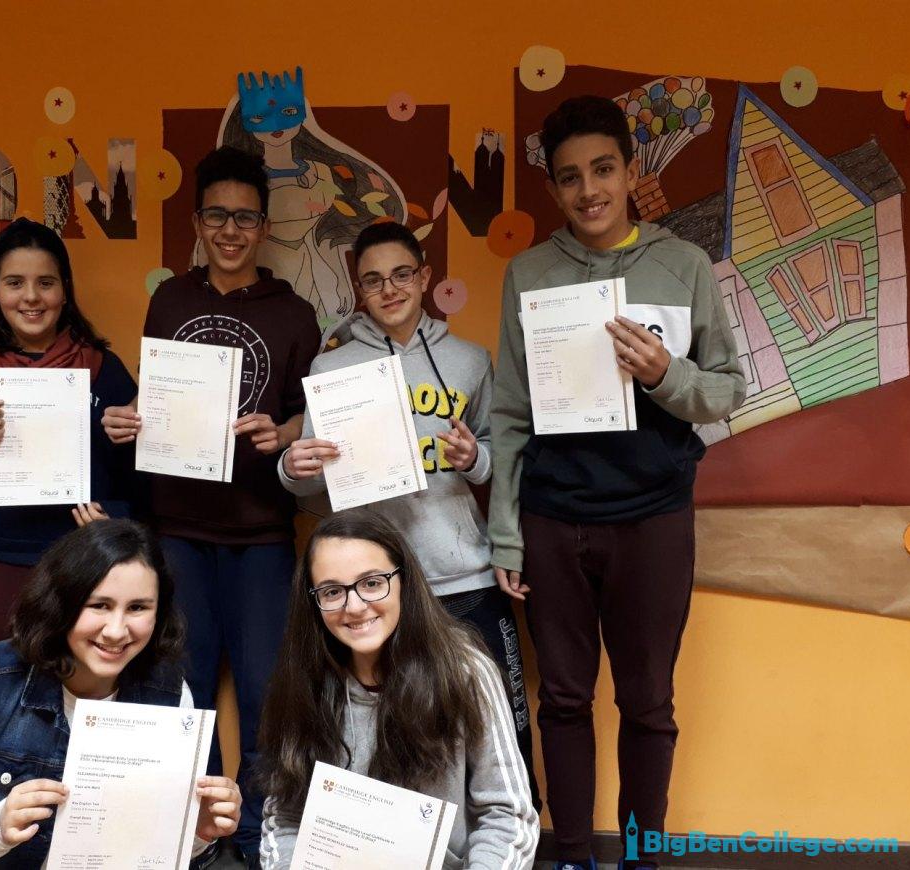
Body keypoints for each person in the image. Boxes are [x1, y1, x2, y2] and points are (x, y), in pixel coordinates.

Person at [489, 95, 746, 870]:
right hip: (553, 516)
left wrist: (667, 373)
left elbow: (728, 389)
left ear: (632, 172)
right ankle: (571, 855)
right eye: (569, 177)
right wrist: (507, 532)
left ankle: (641, 858)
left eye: (603, 169)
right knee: (564, 699)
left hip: (653, 517)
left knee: (648, 702)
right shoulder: (528, 274)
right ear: (553, 189)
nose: (588, 190)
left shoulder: (683, 265)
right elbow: (510, 414)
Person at [102, 146, 321, 866]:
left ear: (264, 227)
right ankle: (195, 834)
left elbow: (310, 414)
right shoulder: (170, 300)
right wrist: (130, 420)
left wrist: (282, 432)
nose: (231, 230)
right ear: (198, 222)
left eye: (245, 218)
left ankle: (257, 835)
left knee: (265, 691)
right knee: (183, 690)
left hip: (262, 529)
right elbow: (158, 399)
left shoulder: (294, 314)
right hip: (177, 528)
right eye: (218, 216)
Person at [278, 220, 540, 807]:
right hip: (373, 590)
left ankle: (517, 832)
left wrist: (475, 459)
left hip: (464, 577)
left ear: (424, 277)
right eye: (373, 280)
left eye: (401, 275)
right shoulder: (330, 371)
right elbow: (314, 486)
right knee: (393, 735)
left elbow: (501, 458)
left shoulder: (469, 360)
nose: (389, 289)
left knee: (500, 723)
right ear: (359, 289)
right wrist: (292, 468)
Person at [0, 519, 242, 869]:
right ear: (61, 603)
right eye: (99, 605)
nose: (116, 631)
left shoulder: (169, 695)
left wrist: (198, 832)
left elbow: (152, 851)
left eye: (138, 608)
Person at [257, 509, 539, 869]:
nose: (355, 606)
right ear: (313, 601)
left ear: (404, 579)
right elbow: (284, 819)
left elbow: (508, 815)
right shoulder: (301, 681)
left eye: (372, 583)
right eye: (332, 591)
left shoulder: (465, 671)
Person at [0, 218, 138, 644]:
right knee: (8, 678)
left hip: (84, 560)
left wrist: (114, 514)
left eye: (45, 283)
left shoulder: (103, 370)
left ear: (64, 291)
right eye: (15, 283)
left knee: (84, 679)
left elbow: (142, 480)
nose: (31, 297)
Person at [213, 67, 406, 328]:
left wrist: (337, 279)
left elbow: (321, 236)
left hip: (309, 268)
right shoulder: (247, 183)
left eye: (288, 113)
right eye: (260, 117)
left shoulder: (320, 173)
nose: (276, 126)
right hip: (261, 275)